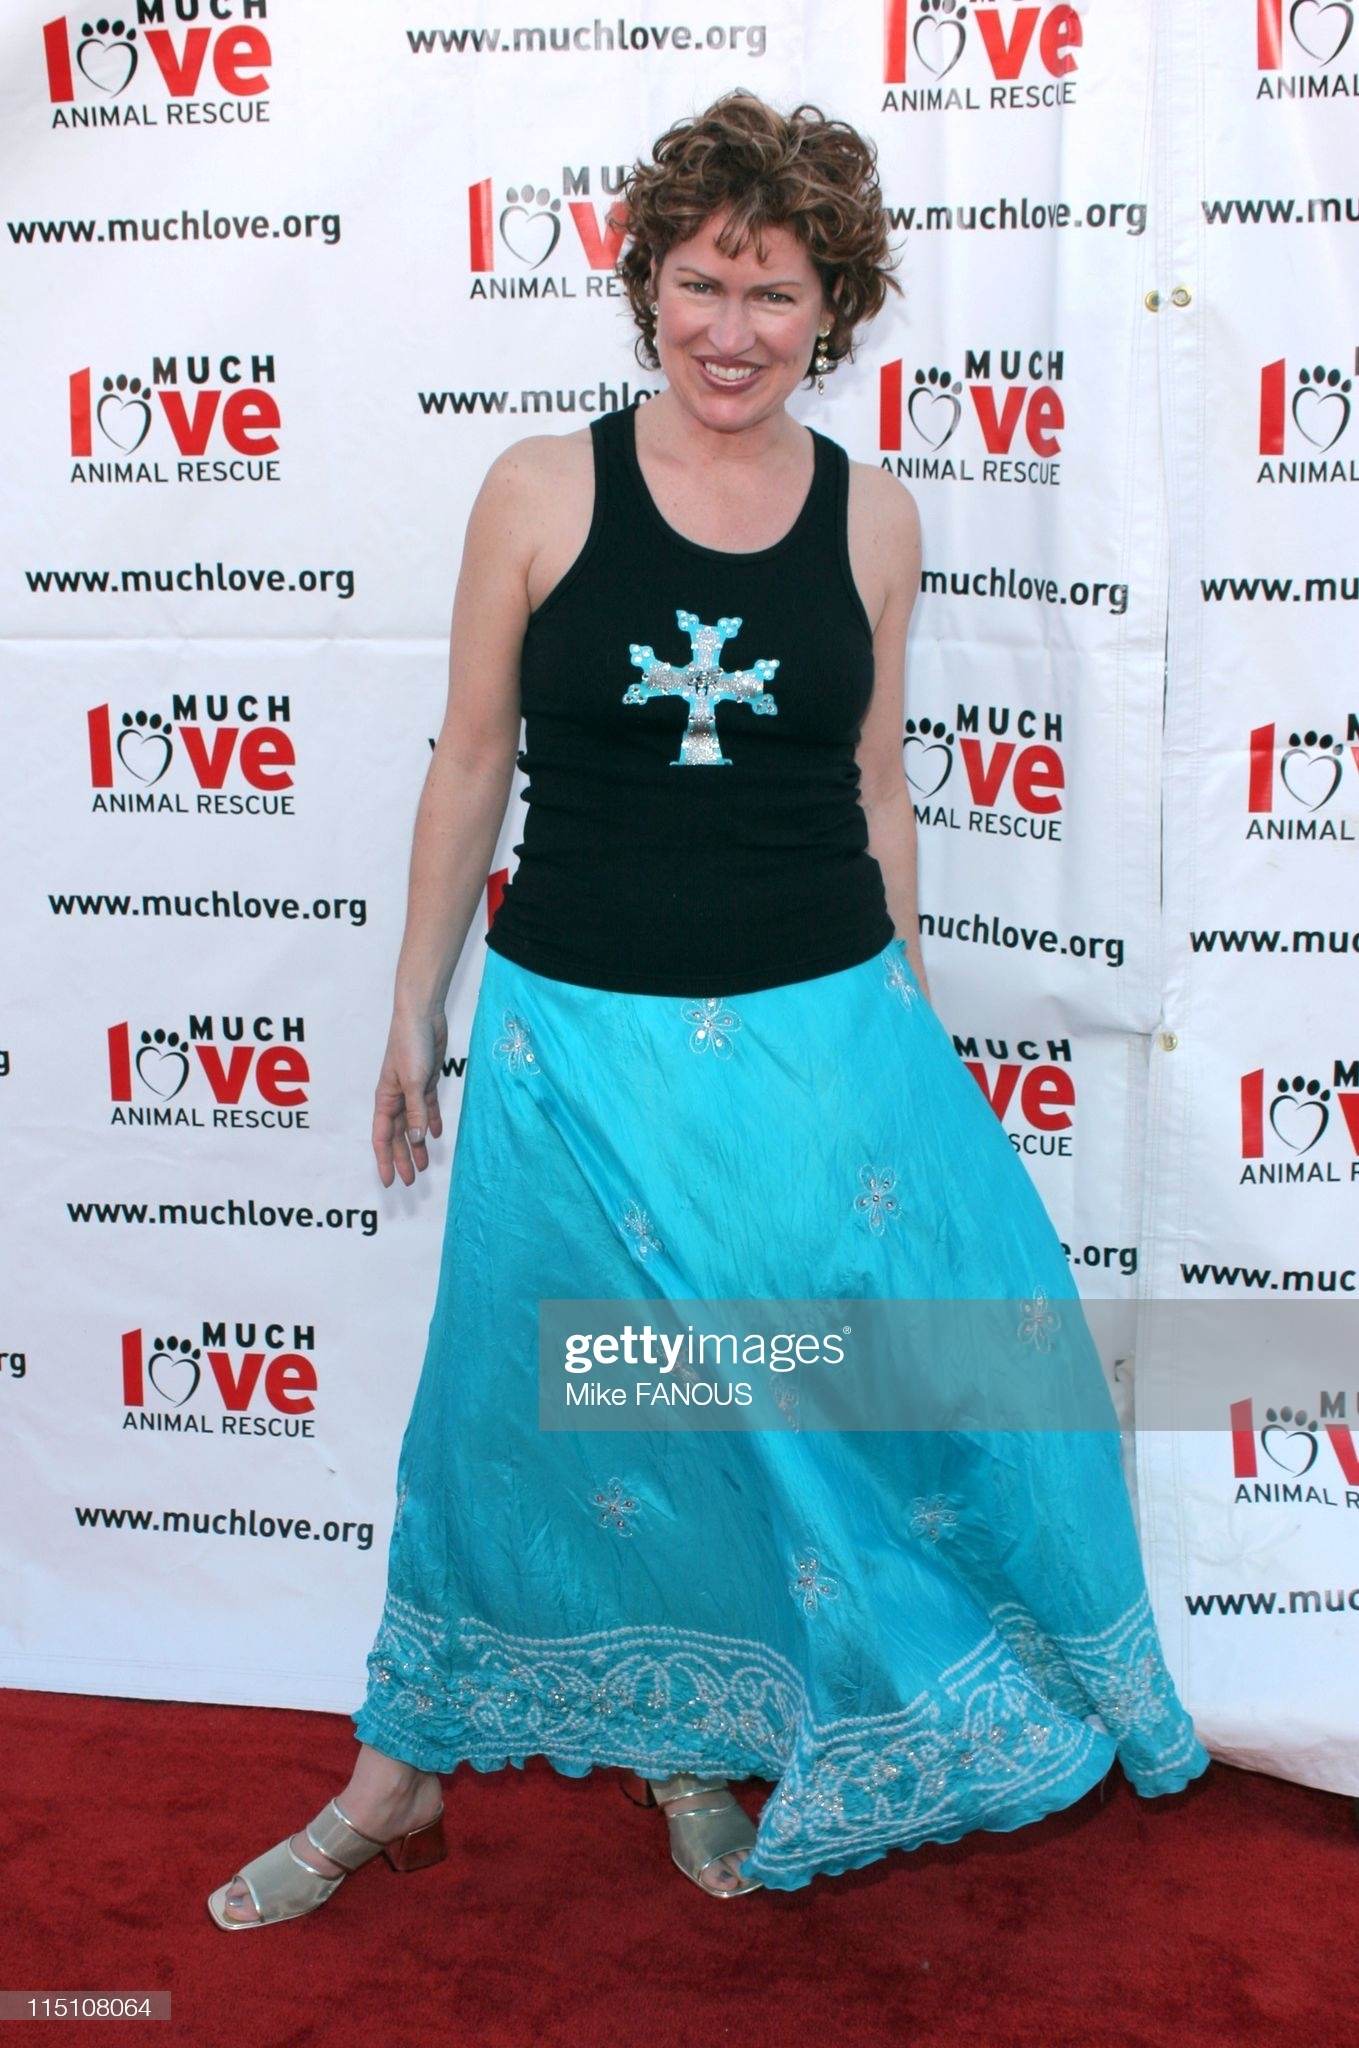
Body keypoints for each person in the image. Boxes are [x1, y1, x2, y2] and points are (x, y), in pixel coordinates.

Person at [208, 92, 1208, 1928]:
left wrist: (907, 1035)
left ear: (836, 307)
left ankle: (699, 1739)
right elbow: (470, 762)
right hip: (574, 1050)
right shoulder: (538, 490)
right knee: (528, 1414)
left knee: (771, 1409)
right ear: (646, 285)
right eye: (699, 282)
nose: (730, 330)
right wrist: (412, 1011)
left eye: (774, 292)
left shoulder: (877, 514)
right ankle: (397, 1775)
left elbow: (877, 786)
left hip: (817, 1046)